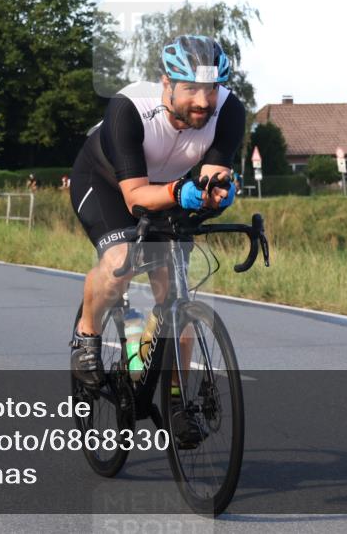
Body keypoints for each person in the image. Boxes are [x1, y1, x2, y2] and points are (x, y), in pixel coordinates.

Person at [68, 35, 245, 443]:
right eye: (192, 89)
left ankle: (177, 399)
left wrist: (218, 191)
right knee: (120, 262)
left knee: (175, 295)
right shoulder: (128, 109)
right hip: (109, 184)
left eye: (212, 89)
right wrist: (178, 192)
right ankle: (87, 334)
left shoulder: (230, 111)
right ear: (166, 83)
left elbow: (209, 176)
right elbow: (135, 199)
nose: (204, 101)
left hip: (168, 187)